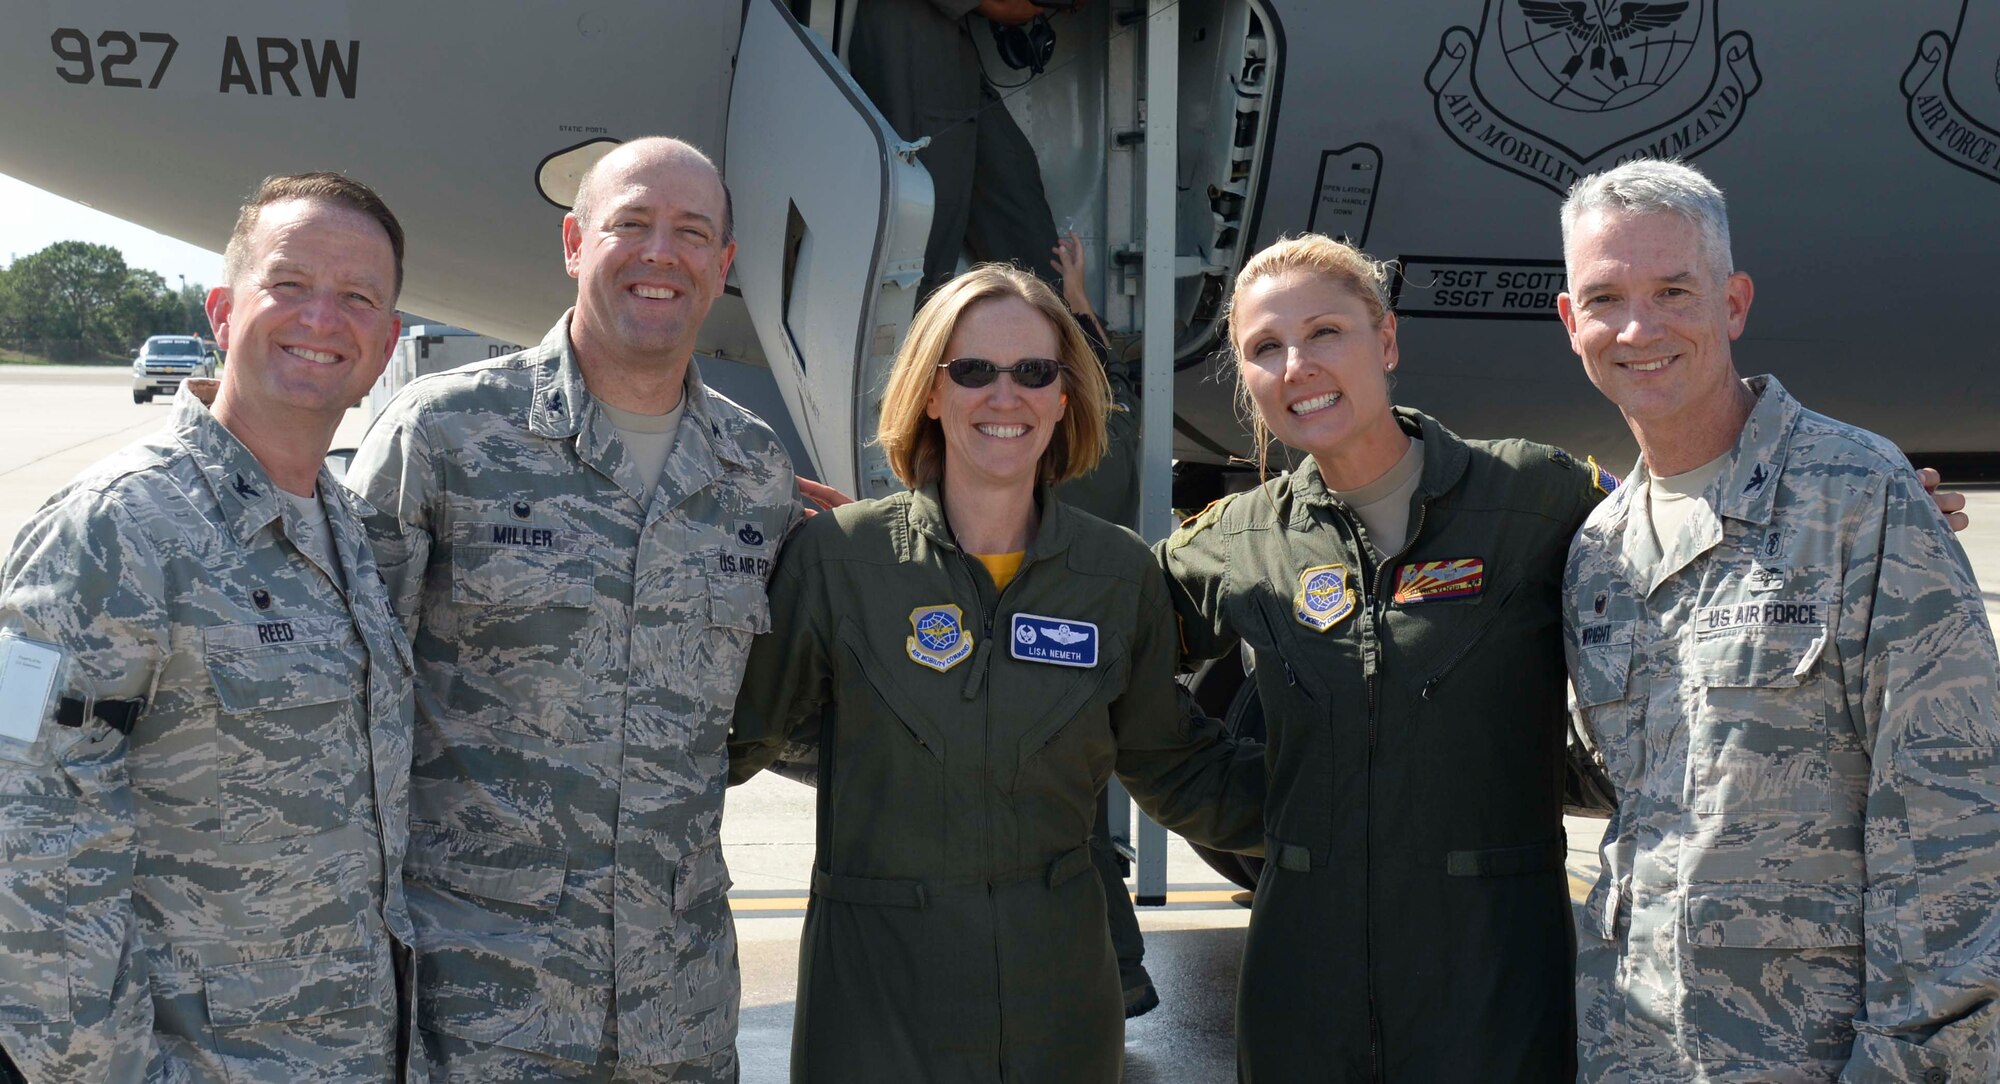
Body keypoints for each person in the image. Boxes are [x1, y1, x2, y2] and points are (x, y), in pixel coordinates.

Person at [726, 264, 1265, 1082]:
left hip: (1060, 1002)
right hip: (877, 1007)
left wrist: (1352, 804)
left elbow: (1173, 764)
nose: (1003, 395)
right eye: (972, 370)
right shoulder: (840, 561)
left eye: (1033, 372)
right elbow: (725, 742)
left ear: (1063, 397)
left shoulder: (1117, 578)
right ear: (931, 393)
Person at [346, 137, 798, 1081]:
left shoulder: (752, 472)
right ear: (574, 242)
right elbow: (345, 701)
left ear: (723, 265)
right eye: (630, 224)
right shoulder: (444, 435)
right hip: (480, 1009)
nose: (658, 253)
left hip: (678, 1011)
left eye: (691, 232)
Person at [1558, 159, 2000, 1081]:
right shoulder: (1598, 553)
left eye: (1673, 290)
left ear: (1733, 302)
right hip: (1633, 1053)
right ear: (1571, 322)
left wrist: (1910, 1066)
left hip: (1817, 1056)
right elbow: (1640, 797)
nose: (1638, 328)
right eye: (1606, 298)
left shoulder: (1857, 495)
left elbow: (1955, 819)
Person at [0, 173, 422, 1081]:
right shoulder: (118, 528)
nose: (322, 318)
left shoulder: (341, 530)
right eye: (290, 284)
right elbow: (22, 831)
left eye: (357, 298)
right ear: (225, 311)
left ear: (387, 343)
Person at [1157, 233, 1607, 1081]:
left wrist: (1855, 508)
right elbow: (1102, 651)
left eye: (1326, 332)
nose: (1298, 365)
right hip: (1302, 993)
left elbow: (1701, 555)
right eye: (1265, 348)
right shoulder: (1236, 541)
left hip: (1495, 989)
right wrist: (1256, 809)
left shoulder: (1537, 497)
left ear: (1387, 342)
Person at [1047, 229, 1157, 1018]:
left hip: (1052, 650)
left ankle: (1118, 977)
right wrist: (1078, 295)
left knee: (1072, 826)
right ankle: (1121, 975)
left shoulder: (1051, 467)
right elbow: (1107, 378)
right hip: (1085, 650)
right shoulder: (1109, 439)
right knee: (1079, 818)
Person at [846, 0, 1064, 299]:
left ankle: (1068, 330)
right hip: (910, 47)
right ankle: (915, 340)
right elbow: (1006, 6)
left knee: (1015, 191)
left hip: (950, 56)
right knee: (922, 235)